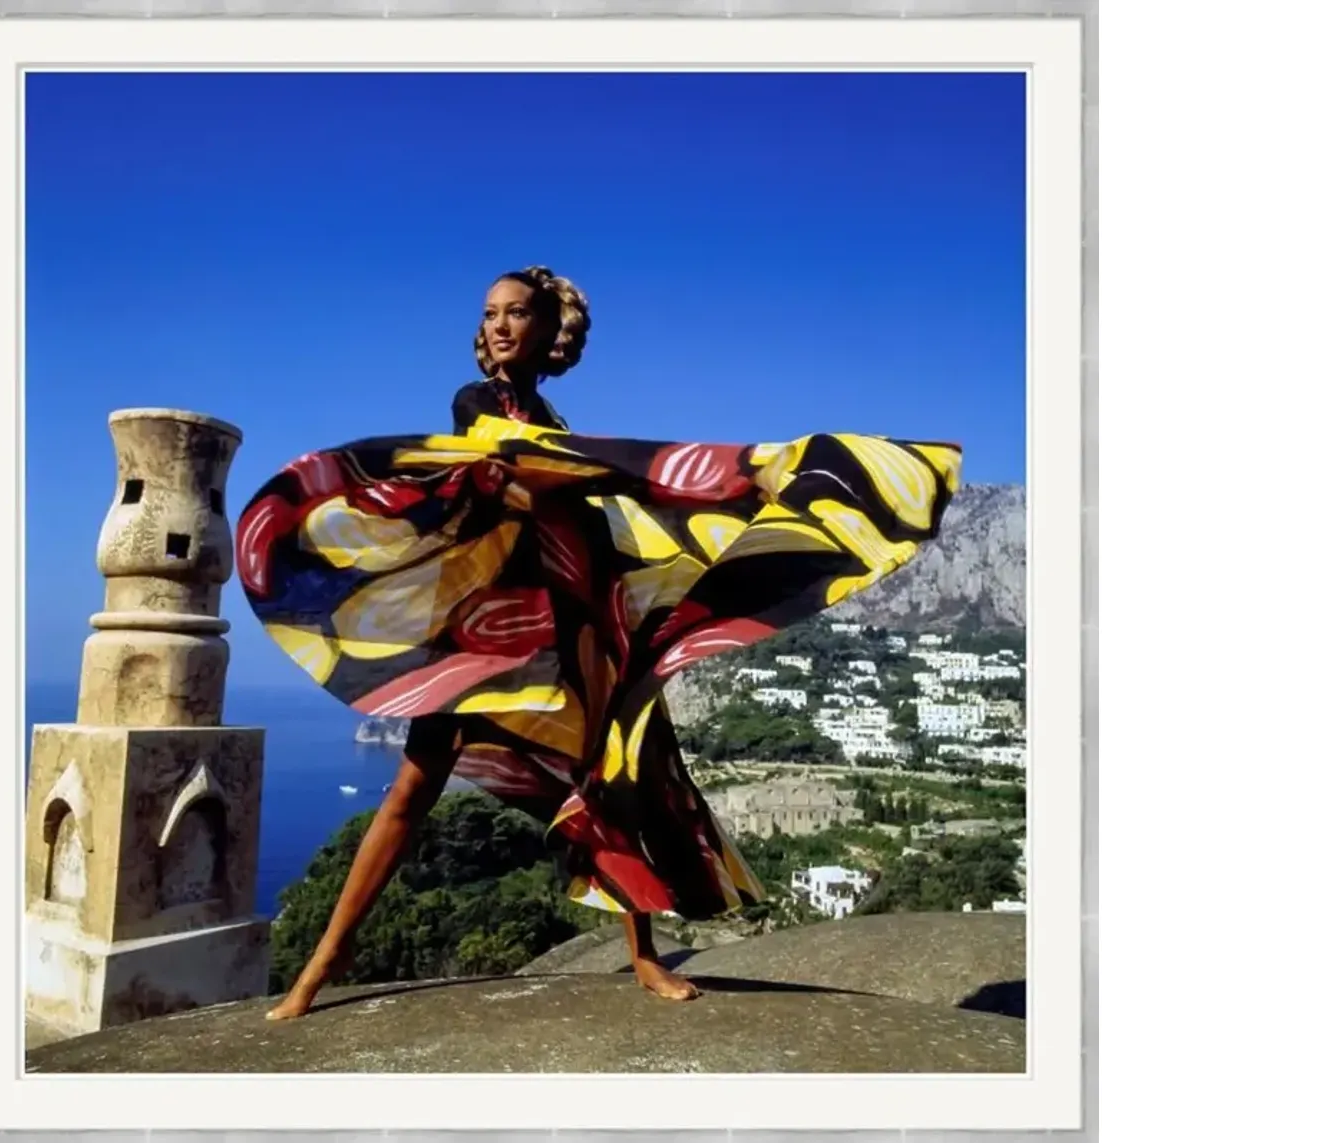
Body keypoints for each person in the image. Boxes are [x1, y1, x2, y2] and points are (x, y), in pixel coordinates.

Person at [239, 265, 962, 1021]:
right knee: (411, 792)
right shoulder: (477, 405)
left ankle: (642, 954)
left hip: (573, 621)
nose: (499, 326)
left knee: (613, 778)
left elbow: (560, 490)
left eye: (517, 313)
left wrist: (670, 497)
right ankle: (324, 961)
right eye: (490, 314)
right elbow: (513, 479)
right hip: (486, 631)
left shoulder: (556, 425)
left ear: (550, 331)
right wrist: (618, 476)